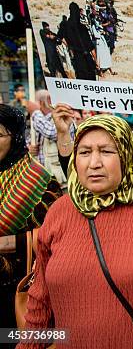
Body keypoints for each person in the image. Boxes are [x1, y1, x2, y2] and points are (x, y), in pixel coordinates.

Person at [18, 115, 133, 348]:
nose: (94, 163)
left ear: (127, 154)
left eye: (107, 152)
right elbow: (41, 298)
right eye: (85, 152)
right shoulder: (60, 211)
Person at [0, 105, 61, 329]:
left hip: (19, 289)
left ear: (16, 138)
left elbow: (55, 236)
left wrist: (8, 243)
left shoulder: (40, 181)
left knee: (11, 338)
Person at [57, 2, 97, 81]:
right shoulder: (82, 27)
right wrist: (95, 60)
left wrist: (69, 45)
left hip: (78, 57)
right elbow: (90, 45)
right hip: (87, 58)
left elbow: (59, 37)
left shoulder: (65, 25)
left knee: (82, 79)